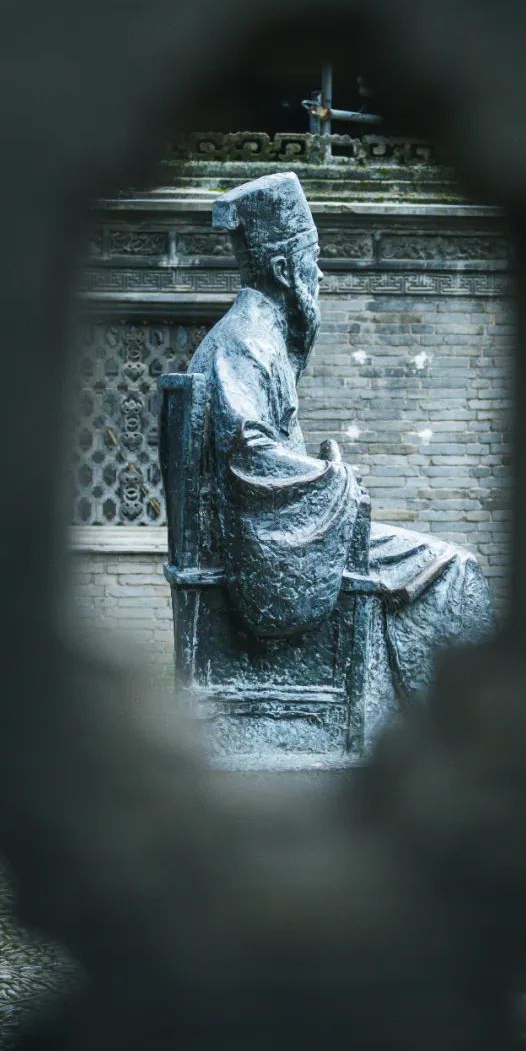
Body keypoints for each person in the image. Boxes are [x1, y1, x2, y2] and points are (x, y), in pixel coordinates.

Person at [188, 170, 493, 742]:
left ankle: (417, 724)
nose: (321, 275)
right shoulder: (243, 341)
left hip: (297, 531)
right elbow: (249, 455)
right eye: (314, 260)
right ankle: (466, 735)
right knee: (455, 570)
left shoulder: (259, 337)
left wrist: (324, 472)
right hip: (264, 547)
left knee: (442, 564)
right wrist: (337, 481)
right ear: (285, 269)